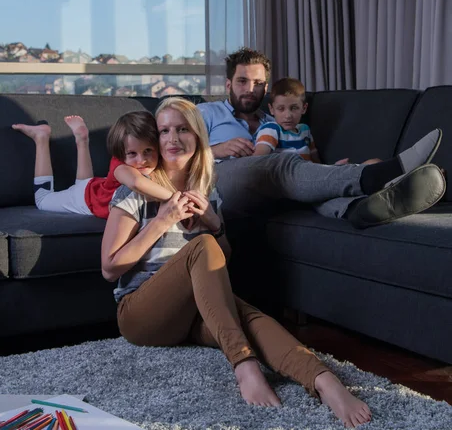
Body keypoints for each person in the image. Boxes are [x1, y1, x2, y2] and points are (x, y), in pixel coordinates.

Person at [101, 96, 372, 428]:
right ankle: (244, 365)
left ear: (198, 135)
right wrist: (162, 221)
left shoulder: (206, 189)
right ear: (154, 137)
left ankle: (324, 381)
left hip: (191, 314)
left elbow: (220, 259)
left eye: (183, 129)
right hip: (141, 315)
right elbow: (109, 267)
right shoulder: (135, 189)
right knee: (202, 249)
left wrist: (214, 223)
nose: (173, 139)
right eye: (165, 130)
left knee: (248, 317)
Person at [197, 47, 445, 228]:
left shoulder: (274, 121)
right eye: (242, 81)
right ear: (228, 85)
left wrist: (324, 172)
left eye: (258, 83)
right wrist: (214, 151)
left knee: (310, 187)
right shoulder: (206, 112)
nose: (251, 90)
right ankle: (380, 174)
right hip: (224, 183)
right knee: (279, 163)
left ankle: (359, 209)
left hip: (275, 191)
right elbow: (171, 156)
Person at [12, 111, 173, 219]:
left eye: (148, 150)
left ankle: (82, 139)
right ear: (120, 152)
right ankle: (41, 137)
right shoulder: (122, 167)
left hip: (97, 186)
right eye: (132, 154)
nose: (141, 160)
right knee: (42, 200)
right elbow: (137, 183)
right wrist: (174, 199)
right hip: (85, 200)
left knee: (84, 184)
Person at [253, 76, 380, 166]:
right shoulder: (271, 129)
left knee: (374, 162)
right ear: (271, 109)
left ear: (304, 108)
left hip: (312, 175)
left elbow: (315, 161)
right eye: (281, 109)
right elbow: (256, 162)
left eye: (294, 108)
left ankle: (355, 171)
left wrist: (327, 169)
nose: (288, 115)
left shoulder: (304, 130)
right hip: (291, 179)